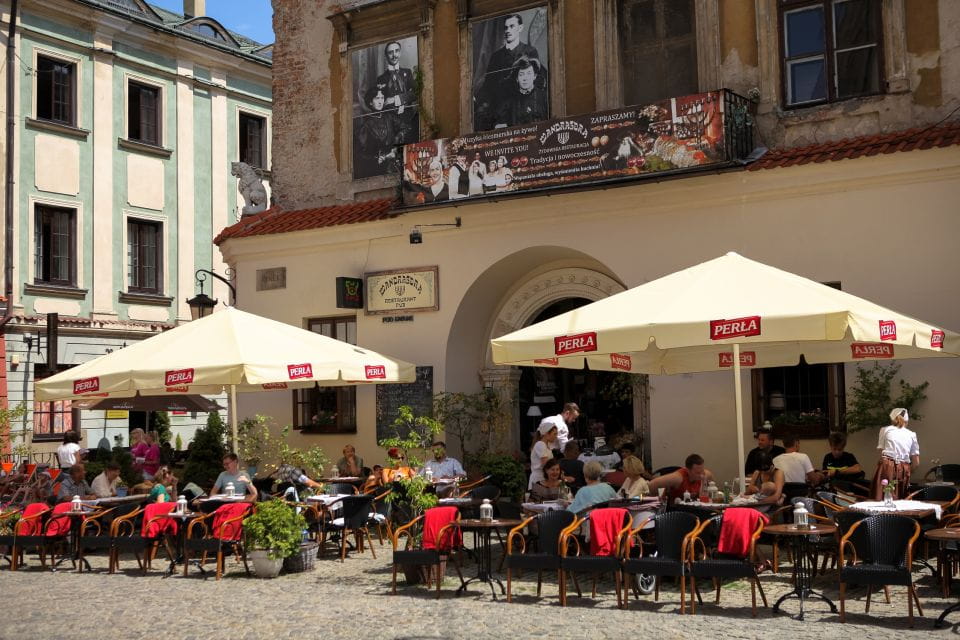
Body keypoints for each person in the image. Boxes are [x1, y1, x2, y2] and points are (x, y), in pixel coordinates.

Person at [475, 13, 543, 130]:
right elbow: (488, 84)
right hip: (498, 111)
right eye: (506, 27)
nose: (508, 30)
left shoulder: (529, 51)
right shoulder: (496, 56)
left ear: (520, 28)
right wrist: (478, 99)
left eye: (512, 26)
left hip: (520, 108)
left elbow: (537, 82)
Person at [871, 407, 919, 500]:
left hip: (887, 465)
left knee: (882, 497)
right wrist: (908, 470)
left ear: (892, 419)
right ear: (906, 421)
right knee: (901, 498)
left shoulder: (885, 430)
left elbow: (882, 452)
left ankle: (880, 515)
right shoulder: (912, 434)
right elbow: (916, 463)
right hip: (904, 467)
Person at [374, 40, 416, 139]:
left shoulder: (407, 72)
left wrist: (394, 99)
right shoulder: (381, 79)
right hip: (390, 124)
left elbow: (416, 93)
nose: (394, 55)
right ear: (386, 55)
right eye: (390, 52)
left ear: (400, 53)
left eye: (396, 51)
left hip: (409, 119)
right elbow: (380, 103)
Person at [354, 88, 398, 179]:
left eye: (382, 98)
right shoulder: (366, 125)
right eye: (377, 98)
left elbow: (405, 128)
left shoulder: (389, 116)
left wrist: (397, 141)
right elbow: (360, 153)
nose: (380, 101)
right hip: (379, 169)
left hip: (395, 162)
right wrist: (377, 159)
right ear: (370, 102)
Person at [494, 56, 548, 128]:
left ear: (534, 76)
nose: (525, 78)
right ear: (517, 79)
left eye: (529, 73)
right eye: (521, 75)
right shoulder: (509, 102)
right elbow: (498, 126)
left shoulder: (544, 97)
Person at [648, 454, 715, 503]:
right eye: (697, 473)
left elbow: (712, 487)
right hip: (677, 510)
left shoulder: (706, 475)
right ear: (687, 470)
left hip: (696, 507)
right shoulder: (677, 478)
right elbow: (652, 485)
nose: (701, 475)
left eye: (702, 471)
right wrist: (660, 499)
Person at [529, 423, 557, 489]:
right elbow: (546, 464)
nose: (556, 436)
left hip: (544, 477)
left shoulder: (547, 446)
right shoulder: (540, 444)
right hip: (538, 478)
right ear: (547, 434)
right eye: (554, 434)